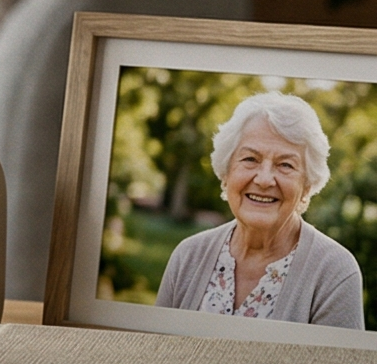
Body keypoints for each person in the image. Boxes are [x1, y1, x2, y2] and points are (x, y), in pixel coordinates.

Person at [156, 92, 366, 330]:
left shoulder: (335, 272)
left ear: (307, 186)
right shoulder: (188, 257)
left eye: (285, 165)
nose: (265, 179)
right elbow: (153, 357)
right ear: (226, 174)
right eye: (250, 159)